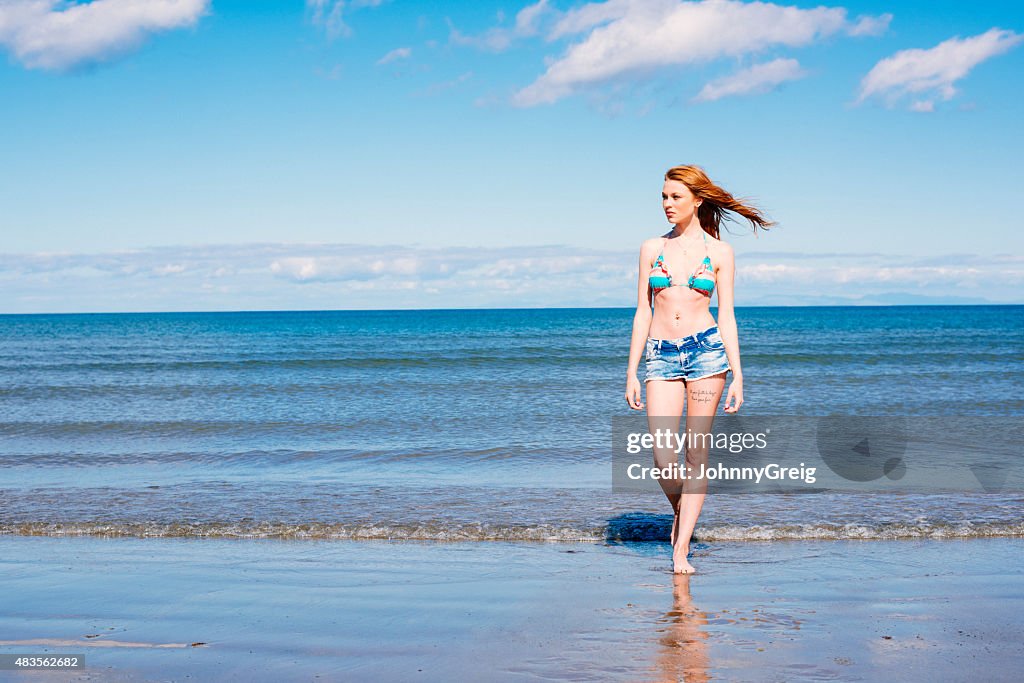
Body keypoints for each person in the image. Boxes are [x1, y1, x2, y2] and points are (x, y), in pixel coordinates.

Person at [624, 165, 773, 574]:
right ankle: (682, 512)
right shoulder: (651, 248)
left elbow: (727, 316)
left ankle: (680, 549)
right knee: (662, 456)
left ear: (697, 200)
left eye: (675, 197)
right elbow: (642, 311)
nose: (667, 205)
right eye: (664, 197)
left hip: (707, 354)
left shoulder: (720, 253)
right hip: (660, 353)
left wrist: (739, 375)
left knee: (696, 454)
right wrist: (631, 370)